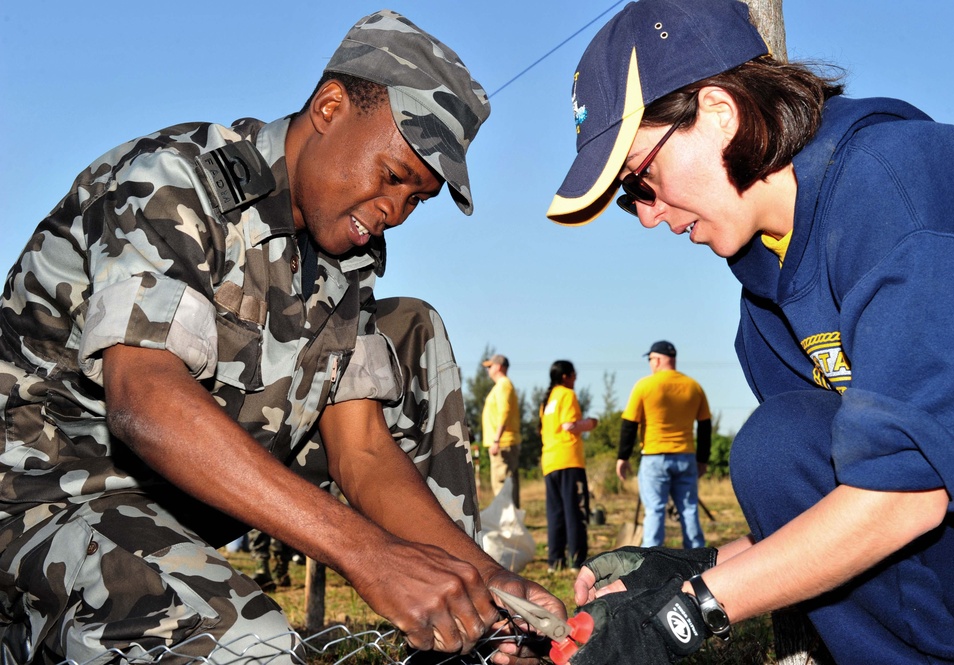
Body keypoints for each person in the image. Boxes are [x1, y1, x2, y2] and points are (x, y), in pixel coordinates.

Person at [0, 10, 561, 665]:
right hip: (44, 505)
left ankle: (462, 635)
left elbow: (364, 451)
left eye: (417, 199)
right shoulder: (177, 181)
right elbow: (142, 398)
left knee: (413, 328)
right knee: (249, 647)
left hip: (170, 511)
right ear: (329, 108)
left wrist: (486, 583)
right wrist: (367, 553)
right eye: (392, 175)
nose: (395, 211)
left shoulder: (346, 261)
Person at [546, 0, 954, 663]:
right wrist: (685, 567)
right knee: (782, 449)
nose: (646, 215)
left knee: (775, 444)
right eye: (628, 196)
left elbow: (906, 495)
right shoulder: (764, 305)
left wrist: (690, 610)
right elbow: (836, 502)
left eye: (642, 176)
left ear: (720, 113)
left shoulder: (895, 185)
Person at [618, 341, 711, 549]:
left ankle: (652, 562)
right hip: (686, 457)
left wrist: (622, 457)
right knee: (688, 509)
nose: (650, 364)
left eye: (650, 360)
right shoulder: (694, 387)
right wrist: (702, 459)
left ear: (658, 359)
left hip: (654, 458)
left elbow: (629, 425)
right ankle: (698, 560)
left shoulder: (645, 385)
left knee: (655, 510)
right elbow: (705, 426)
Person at [539, 360, 598, 573]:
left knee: (555, 512)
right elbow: (569, 426)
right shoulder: (567, 394)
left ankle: (555, 561)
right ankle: (577, 560)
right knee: (575, 511)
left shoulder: (547, 401)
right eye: (574, 375)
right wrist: (591, 423)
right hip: (569, 459)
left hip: (550, 461)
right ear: (565, 376)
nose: (575, 380)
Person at [482, 354, 523, 507]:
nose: (488, 370)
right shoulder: (501, 386)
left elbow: (504, 411)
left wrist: (496, 440)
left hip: (502, 443)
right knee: (507, 483)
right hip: (503, 441)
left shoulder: (503, 384)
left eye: (490, 366)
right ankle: (509, 520)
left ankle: (507, 522)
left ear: (499, 367)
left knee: (502, 483)